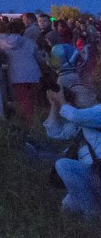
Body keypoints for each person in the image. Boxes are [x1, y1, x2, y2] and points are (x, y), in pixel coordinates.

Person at [44, 78, 101, 217]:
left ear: (92, 95)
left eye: (77, 91)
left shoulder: (98, 111)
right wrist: (54, 105)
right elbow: (55, 132)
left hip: (98, 173)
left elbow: (76, 115)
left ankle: (93, 215)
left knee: (64, 165)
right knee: (66, 208)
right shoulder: (80, 122)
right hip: (93, 175)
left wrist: (62, 101)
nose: (72, 94)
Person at [0, 18, 40, 128]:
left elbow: (0, 56)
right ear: (22, 30)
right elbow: (38, 57)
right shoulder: (30, 42)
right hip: (34, 73)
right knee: (32, 98)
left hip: (17, 75)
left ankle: (30, 123)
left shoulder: (3, 43)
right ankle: (34, 120)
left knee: (23, 99)